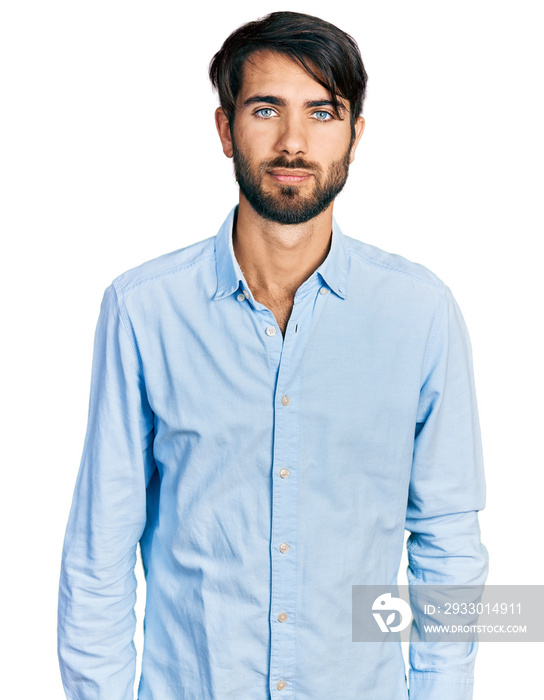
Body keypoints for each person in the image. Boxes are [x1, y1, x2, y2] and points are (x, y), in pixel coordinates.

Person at [57, 10, 488, 700]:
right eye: (266, 110)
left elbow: (448, 548)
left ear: (355, 135)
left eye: (322, 112)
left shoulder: (420, 314)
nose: (294, 142)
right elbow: (100, 553)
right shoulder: (144, 310)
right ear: (226, 130)